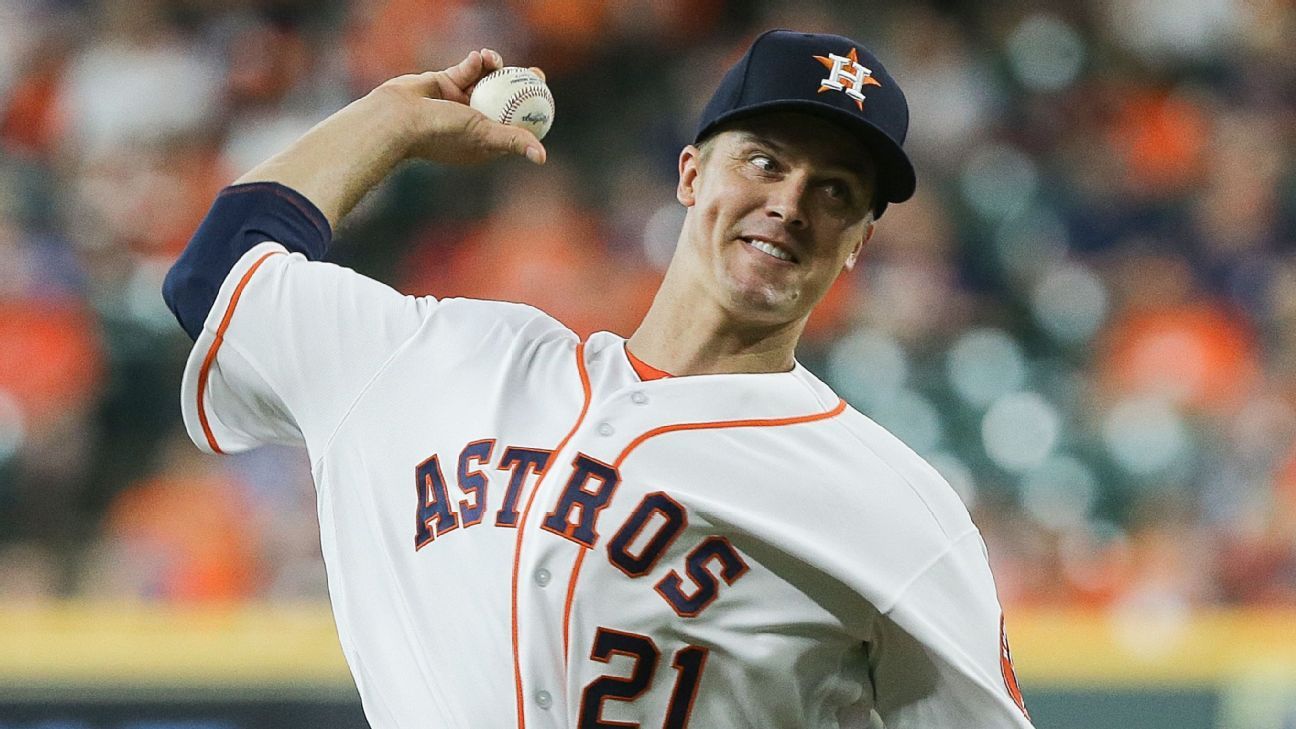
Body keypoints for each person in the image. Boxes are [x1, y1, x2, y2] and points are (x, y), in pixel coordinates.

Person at [164, 29, 1034, 729]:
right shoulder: (444, 359)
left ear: (857, 246)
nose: (792, 202)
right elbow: (213, 281)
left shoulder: (894, 508)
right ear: (691, 174)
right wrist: (392, 123)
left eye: (837, 192)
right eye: (765, 161)